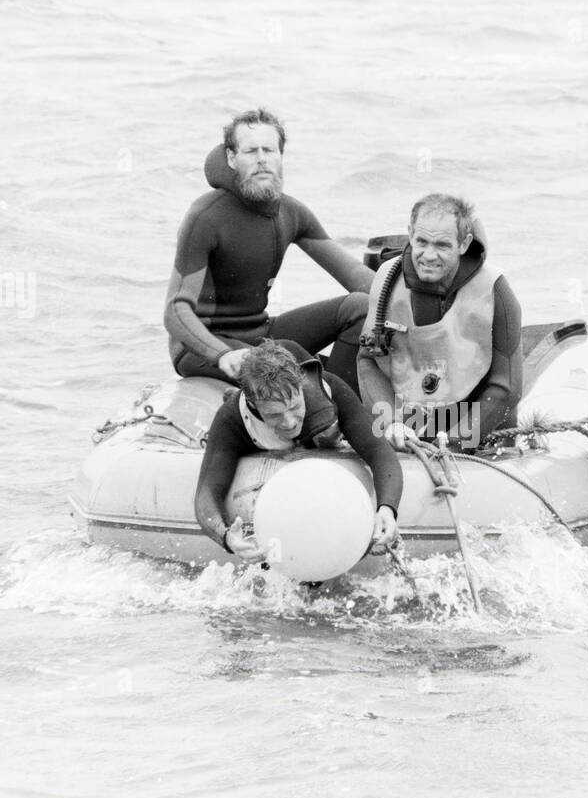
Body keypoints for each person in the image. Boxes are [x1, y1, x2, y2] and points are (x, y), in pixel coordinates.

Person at [164, 107, 373, 389]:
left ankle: (339, 398)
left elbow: (354, 275)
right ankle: (322, 400)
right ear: (231, 157)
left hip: (260, 334)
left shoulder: (291, 212)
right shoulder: (205, 217)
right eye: (250, 151)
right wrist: (222, 354)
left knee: (360, 307)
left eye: (269, 150)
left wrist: (406, 298)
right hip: (204, 345)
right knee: (289, 374)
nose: (262, 159)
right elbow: (175, 310)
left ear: (281, 156)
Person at [193, 341, 401, 563]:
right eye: (274, 415)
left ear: (302, 387)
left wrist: (387, 509)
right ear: (253, 404)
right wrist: (226, 537)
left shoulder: (330, 390)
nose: (290, 422)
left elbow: (381, 453)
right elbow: (207, 492)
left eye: (295, 407)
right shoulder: (233, 418)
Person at [357, 194, 522, 451]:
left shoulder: (496, 291)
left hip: (475, 419)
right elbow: (368, 361)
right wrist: (390, 423)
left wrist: (459, 440)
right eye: (421, 241)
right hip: (408, 420)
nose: (429, 255)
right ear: (410, 233)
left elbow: (507, 388)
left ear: (464, 244)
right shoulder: (387, 279)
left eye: (443, 245)